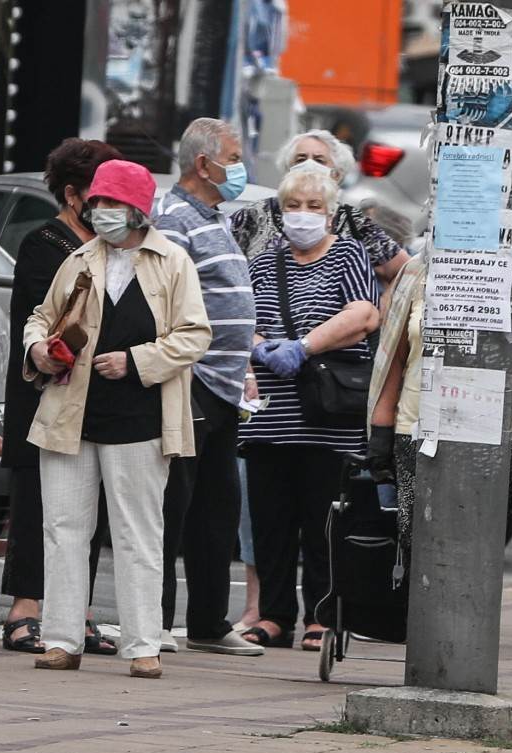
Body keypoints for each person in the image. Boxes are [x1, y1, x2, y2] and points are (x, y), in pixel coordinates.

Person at [25, 159, 212, 679]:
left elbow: (195, 334)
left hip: (141, 416)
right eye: (97, 202)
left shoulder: (172, 261)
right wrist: (39, 348)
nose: (100, 211)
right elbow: (41, 315)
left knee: (139, 533)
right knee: (63, 529)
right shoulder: (80, 259)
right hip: (71, 413)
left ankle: (143, 643)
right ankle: (61, 639)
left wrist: (137, 361)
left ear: (137, 210)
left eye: (112, 203)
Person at [238, 168, 379, 652]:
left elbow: (362, 316)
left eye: (314, 206)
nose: (303, 215)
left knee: (324, 525)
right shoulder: (263, 262)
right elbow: (243, 324)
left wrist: (301, 346)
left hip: (329, 421)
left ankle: (322, 617)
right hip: (271, 419)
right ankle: (274, 616)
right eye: (294, 205)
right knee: (272, 524)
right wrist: (262, 349)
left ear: (331, 211)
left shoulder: (348, 254)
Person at [1, 138, 122, 656]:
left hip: (95, 395)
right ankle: (24, 611)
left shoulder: (116, 248)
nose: (111, 208)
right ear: (73, 195)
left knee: (86, 509)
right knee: (38, 507)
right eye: (102, 195)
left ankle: (78, 613)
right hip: (44, 393)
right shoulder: (44, 243)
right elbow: (47, 322)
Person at [153, 118, 261, 657]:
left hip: (222, 387)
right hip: (189, 381)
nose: (240, 167)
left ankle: (208, 623)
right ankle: (155, 622)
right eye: (234, 157)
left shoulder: (211, 217)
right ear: (204, 164)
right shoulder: (173, 219)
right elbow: (165, 299)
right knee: (174, 505)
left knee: (217, 506)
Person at [367, 260, 512, 559]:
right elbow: (394, 356)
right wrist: (380, 429)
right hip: (416, 431)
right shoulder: (417, 270)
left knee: (477, 555)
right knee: (419, 551)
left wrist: (506, 352)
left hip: (498, 436)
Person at [231, 129, 411, 284]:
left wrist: (387, 302)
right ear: (287, 169)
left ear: (337, 175)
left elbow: (406, 270)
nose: (309, 166)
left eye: (319, 160)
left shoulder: (353, 222)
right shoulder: (253, 215)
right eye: (300, 159)